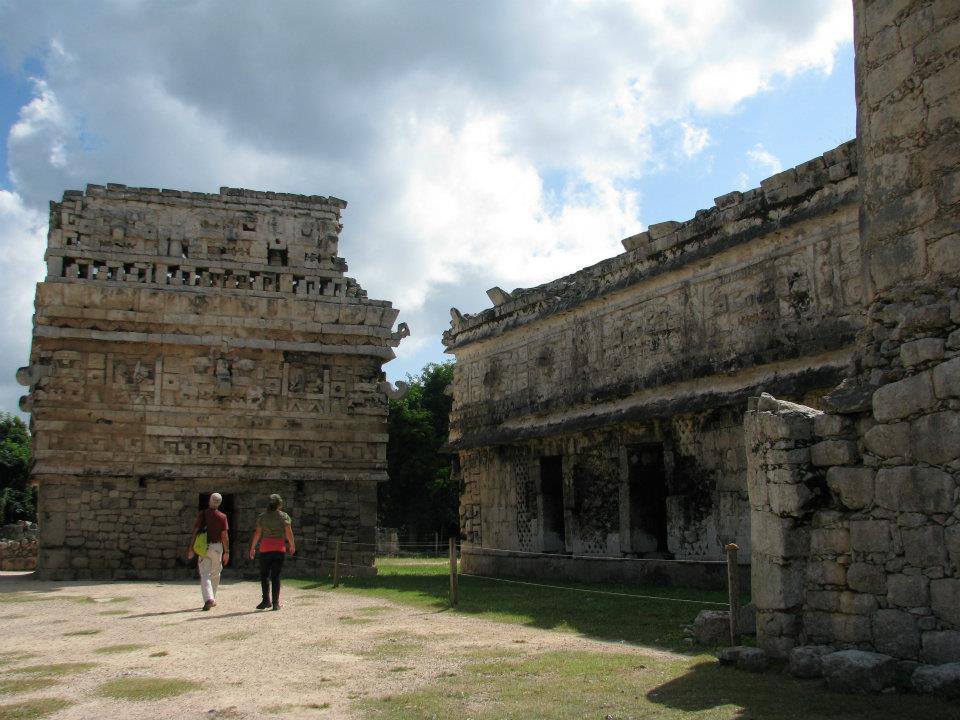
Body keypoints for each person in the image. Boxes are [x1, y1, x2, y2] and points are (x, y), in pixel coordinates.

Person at [248, 493, 296, 610]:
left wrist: (252, 547)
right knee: (276, 576)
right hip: (279, 548)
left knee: (264, 575)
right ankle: (275, 603)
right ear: (279, 504)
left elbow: (258, 533)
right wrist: (292, 545)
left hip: (265, 548)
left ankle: (265, 601)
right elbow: (288, 532)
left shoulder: (262, 517)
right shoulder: (284, 516)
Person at [186, 492, 230, 611]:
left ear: (209, 501)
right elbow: (224, 535)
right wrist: (227, 552)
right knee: (216, 573)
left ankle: (209, 599)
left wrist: (191, 548)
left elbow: (196, 530)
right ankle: (212, 598)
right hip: (217, 547)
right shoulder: (222, 517)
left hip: (204, 547)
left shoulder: (203, 514)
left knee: (205, 574)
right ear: (219, 503)